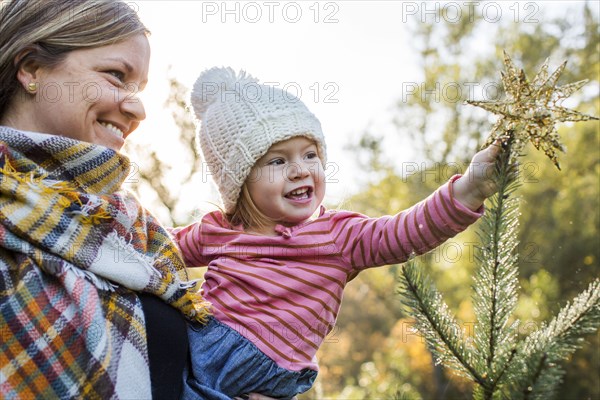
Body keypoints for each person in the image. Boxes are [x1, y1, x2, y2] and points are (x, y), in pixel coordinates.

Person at [171, 67, 502, 399]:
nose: (301, 169)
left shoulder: (337, 235)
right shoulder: (217, 231)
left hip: (270, 373)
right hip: (201, 348)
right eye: (277, 161)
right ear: (239, 181)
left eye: (310, 154)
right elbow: (158, 245)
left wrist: (469, 190)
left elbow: (403, 233)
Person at [0, 1, 212, 399]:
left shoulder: (136, 232)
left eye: (139, 89)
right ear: (30, 68)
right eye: (116, 76)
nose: (137, 109)